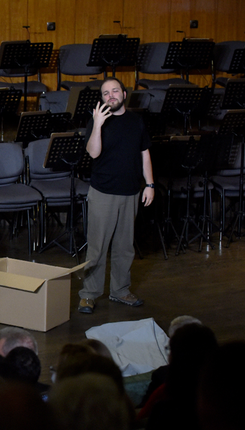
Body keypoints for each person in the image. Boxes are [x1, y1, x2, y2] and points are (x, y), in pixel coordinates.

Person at [78, 77, 154, 314]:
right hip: (103, 192)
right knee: (97, 248)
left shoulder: (136, 121)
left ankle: (120, 290)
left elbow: (145, 154)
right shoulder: (97, 121)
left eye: (115, 91)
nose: (111, 95)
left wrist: (150, 184)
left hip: (131, 192)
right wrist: (97, 124)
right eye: (106, 93)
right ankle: (89, 294)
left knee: (124, 247)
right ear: (102, 98)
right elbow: (93, 153)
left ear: (124, 93)